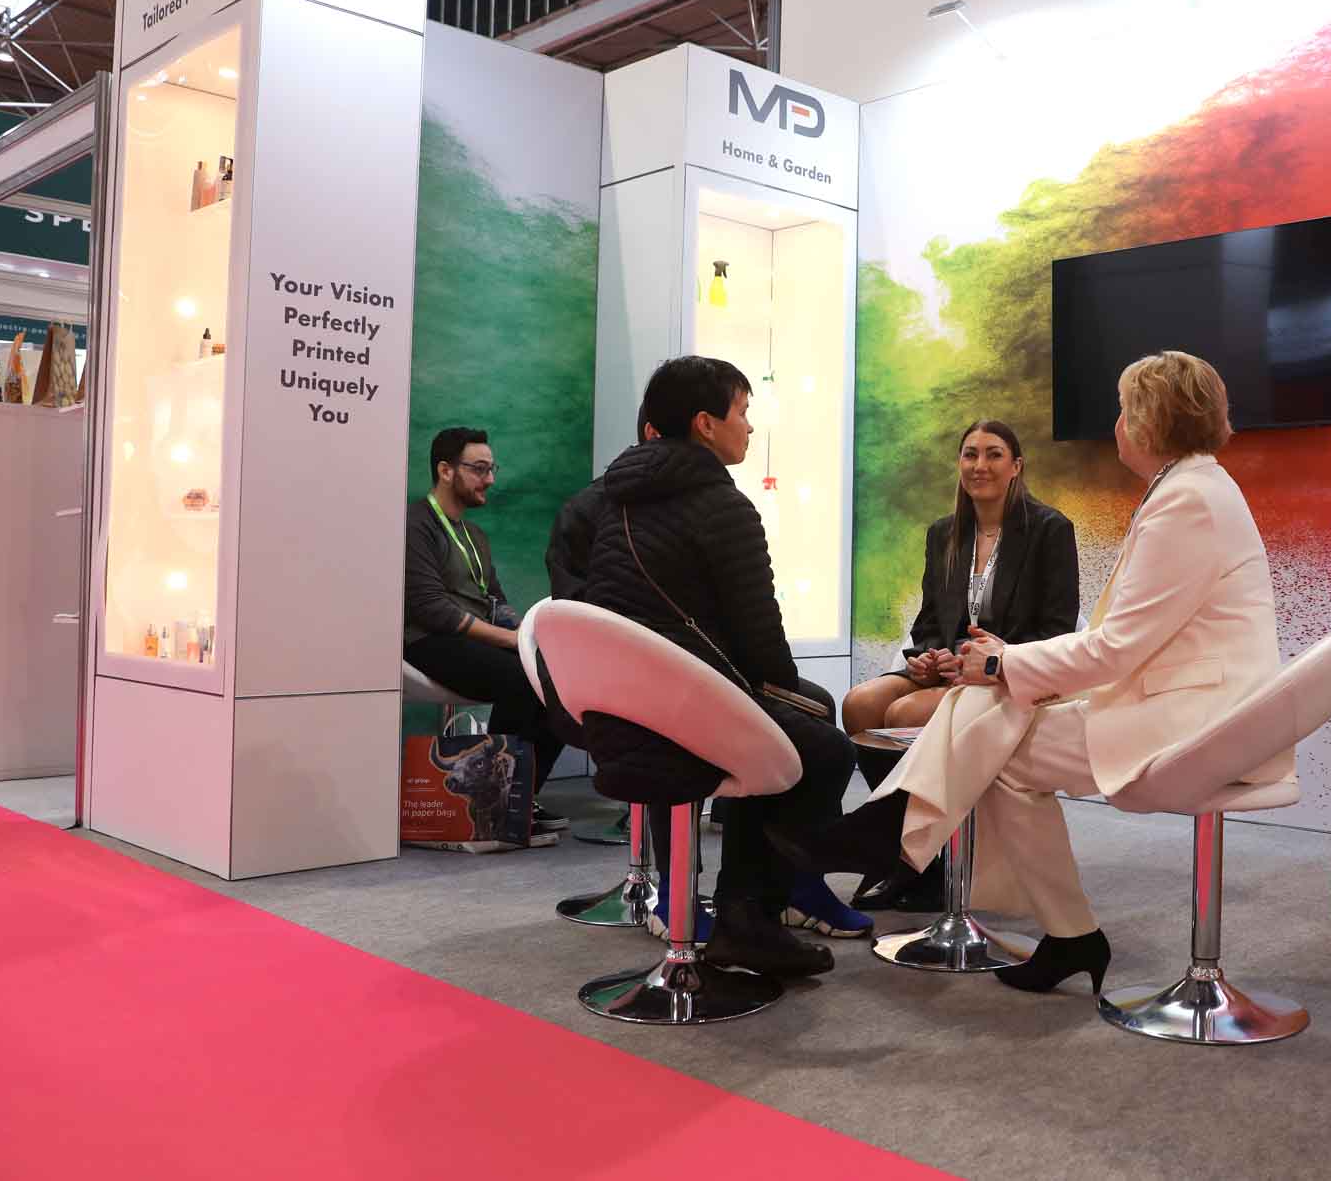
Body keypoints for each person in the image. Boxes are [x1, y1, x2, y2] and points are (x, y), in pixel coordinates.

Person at [772, 351, 1281, 999]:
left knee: (999, 738)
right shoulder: (1192, 489)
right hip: (1177, 695)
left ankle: (903, 833)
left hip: (1192, 715)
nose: (1116, 423)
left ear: (1148, 421)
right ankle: (914, 840)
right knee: (990, 716)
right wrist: (983, 665)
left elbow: (1113, 647)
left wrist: (1001, 661)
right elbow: (1112, 643)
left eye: (1123, 409)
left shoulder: (1186, 502)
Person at [576, 356, 858, 978]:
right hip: (678, 719)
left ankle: (745, 911)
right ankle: (749, 918)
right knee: (823, 750)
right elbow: (763, 647)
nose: (750, 428)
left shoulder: (614, 503)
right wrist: (781, 691)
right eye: (743, 412)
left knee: (789, 726)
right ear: (706, 423)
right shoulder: (723, 507)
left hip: (616, 715)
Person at [839, 419, 1078, 910]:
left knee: (903, 715)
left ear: (1016, 466)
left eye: (993, 454)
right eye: (970, 454)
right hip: (949, 669)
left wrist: (989, 658)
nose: (979, 465)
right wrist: (929, 655)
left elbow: (1057, 629)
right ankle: (904, 851)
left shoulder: (1049, 529)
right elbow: (930, 620)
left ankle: (916, 858)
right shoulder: (944, 533)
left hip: (1009, 671)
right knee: (860, 704)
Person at [404, 427, 566, 843]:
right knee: (520, 680)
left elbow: (495, 601)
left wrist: (525, 633)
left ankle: (521, 798)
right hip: (425, 641)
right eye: (479, 469)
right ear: (445, 470)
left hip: (471, 642)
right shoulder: (415, 524)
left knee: (558, 681)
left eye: (492, 469)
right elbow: (430, 609)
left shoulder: (475, 536)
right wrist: (509, 640)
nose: (490, 479)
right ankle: (499, 799)